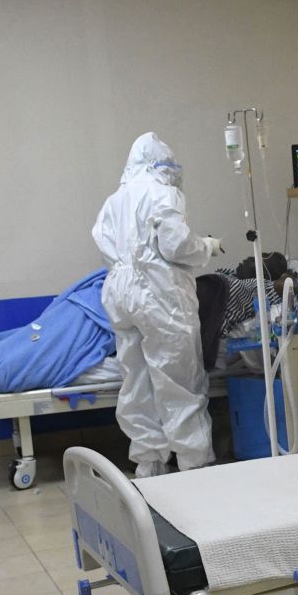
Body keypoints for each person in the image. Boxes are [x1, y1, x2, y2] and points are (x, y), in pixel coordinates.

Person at [92, 133, 221, 478]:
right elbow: (176, 244)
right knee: (178, 380)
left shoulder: (114, 201)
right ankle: (195, 467)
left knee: (137, 380)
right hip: (158, 292)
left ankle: (149, 465)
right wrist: (206, 247)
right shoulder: (163, 192)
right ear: (160, 165)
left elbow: (104, 242)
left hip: (120, 293)